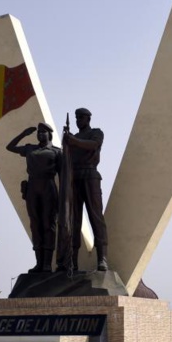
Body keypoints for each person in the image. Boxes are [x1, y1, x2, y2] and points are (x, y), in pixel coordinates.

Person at [6, 123, 62, 273]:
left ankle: (47, 264)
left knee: (48, 225)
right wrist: (23, 133)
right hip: (32, 187)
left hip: (48, 187)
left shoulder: (57, 152)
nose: (40, 134)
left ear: (50, 134)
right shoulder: (30, 148)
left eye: (43, 132)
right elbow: (10, 147)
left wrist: (63, 197)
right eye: (38, 132)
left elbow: (63, 176)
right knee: (35, 225)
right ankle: (39, 263)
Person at [62, 108, 109, 271]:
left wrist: (73, 141)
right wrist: (66, 143)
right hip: (74, 178)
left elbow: (93, 145)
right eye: (76, 118)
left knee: (96, 218)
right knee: (74, 221)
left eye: (81, 117)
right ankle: (72, 260)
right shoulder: (71, 138)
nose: (78, 120)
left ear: (88, 119)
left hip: (90, 175)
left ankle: (102, 258)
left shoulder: (96, 133)